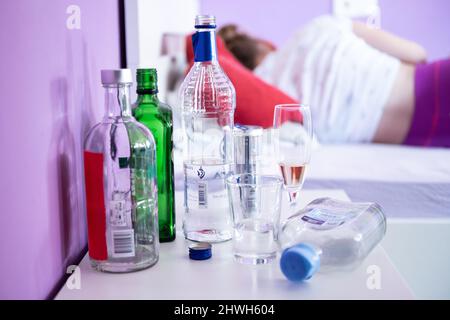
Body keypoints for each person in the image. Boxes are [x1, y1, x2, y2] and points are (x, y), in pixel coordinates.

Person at [218, 16, 450, 148]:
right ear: (265, 45)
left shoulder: (269, 98)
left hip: (422, 133)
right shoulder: (319, 27)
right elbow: (417, 53)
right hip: (435, 82)